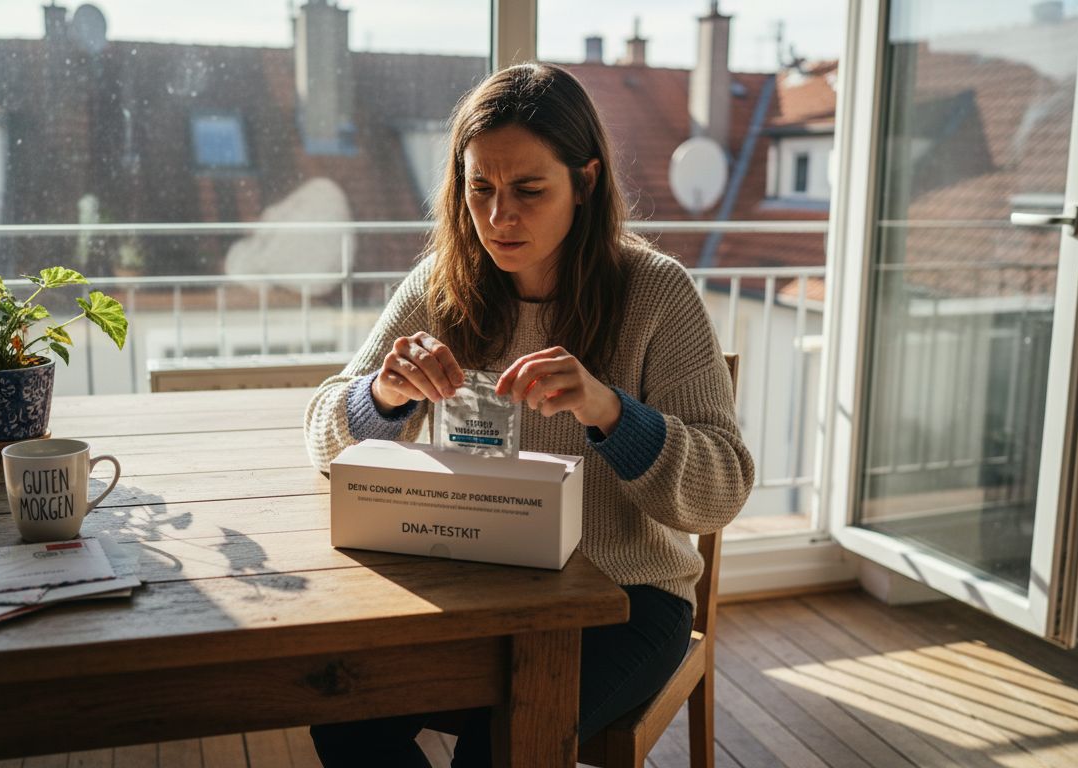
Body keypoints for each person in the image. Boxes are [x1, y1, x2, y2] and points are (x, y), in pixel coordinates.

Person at [303, 61, 754, 767]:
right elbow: (322, 436)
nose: (498, 216)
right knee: (341, 700)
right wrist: (382, 397)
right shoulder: (440, 285)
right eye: (479, 188)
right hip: (475, 585)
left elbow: (722, 489)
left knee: (501, 743)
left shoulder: (657, 294)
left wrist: (611, 412)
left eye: (528, 190)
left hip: (624, 597)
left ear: (587, 180)